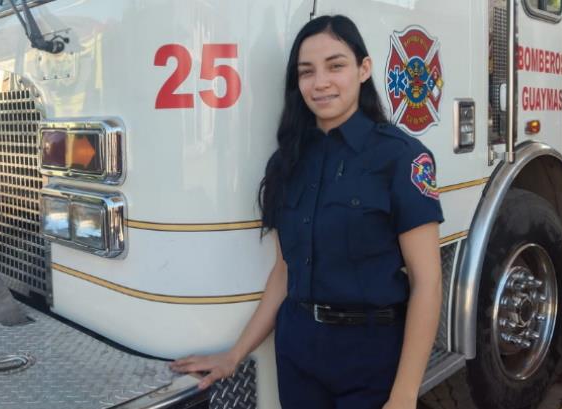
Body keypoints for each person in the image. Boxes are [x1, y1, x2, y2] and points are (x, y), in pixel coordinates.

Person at [170, 14, 443, 409]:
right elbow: (284, 272)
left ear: (364, 69)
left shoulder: (402, 157)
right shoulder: (287, 161)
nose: (320, 83)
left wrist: (404, 395)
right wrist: (234, 355)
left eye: (336, 66)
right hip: (297, 352)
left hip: (370, 356)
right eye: (306, 72)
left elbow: (427, 283)